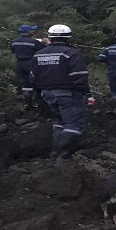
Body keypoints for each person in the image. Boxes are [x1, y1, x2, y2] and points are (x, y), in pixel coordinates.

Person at [29, 24, 93, 162]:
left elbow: (32, 78)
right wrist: (87, 93)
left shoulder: (38, 54)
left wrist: (38, 94)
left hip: (47, 94)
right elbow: (79, 76)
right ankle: (63, 156)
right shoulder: (71, 53)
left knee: (59, 121)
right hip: (68, 94)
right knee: (73, 124)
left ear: (50, 37)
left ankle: (54, 152)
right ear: (68, 37)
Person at [9, 24, 46, 110]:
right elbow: (43, 50)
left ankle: (28, 103)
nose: (34, 31)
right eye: (32, 30)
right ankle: (40, 102)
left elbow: (13, 50)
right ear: (28, 31)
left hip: (19, 64)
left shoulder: (14, 41)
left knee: (25, 84)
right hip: (31, 63)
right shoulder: (34, 42)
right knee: (37, 81)